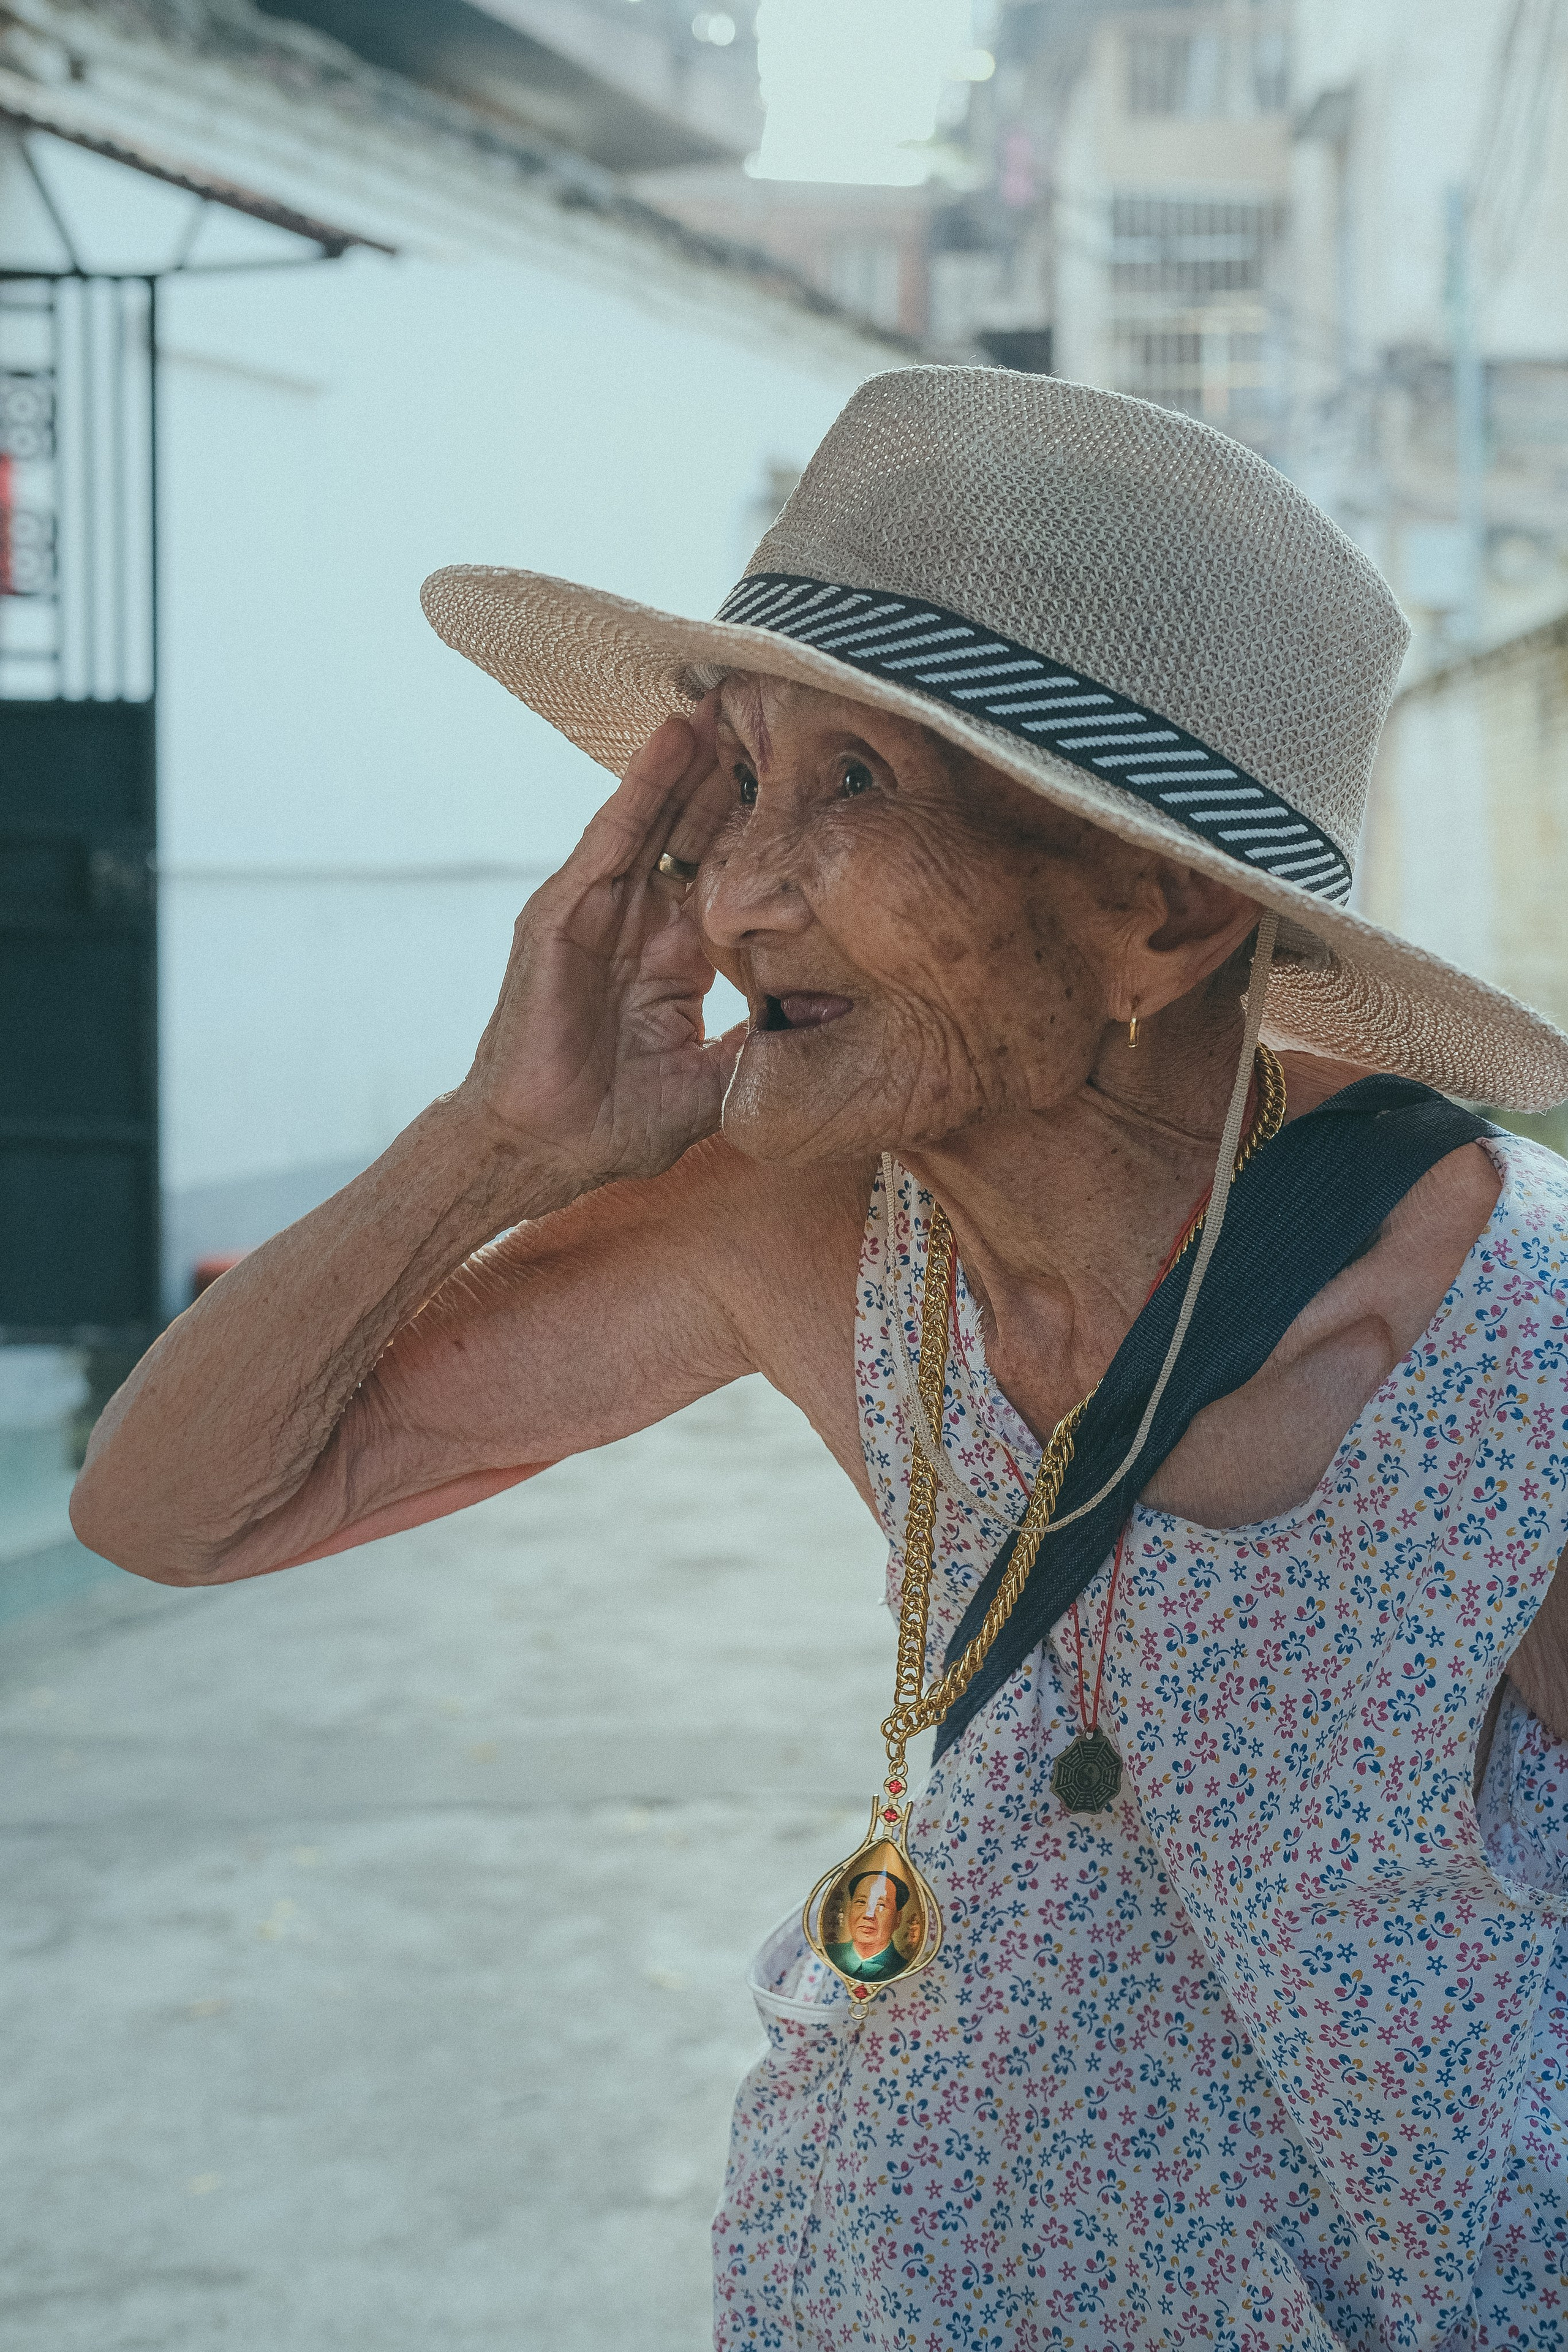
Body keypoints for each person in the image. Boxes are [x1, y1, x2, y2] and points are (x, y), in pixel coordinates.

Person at [72, 369, 1568, 2351]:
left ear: (1163, 908)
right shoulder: (816, 1229)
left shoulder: (1512, 1349)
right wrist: (495, 1146)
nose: (738, 891)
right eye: (739, 792)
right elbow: (174, 1505)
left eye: (852, 786)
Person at [824, 1866, 916, 1983]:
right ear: (849, 1909)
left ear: (898, 1919)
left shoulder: (903, 1969)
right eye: (861, 1902)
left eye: (881, 1905)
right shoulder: (830, 1954)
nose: (868, 1915)